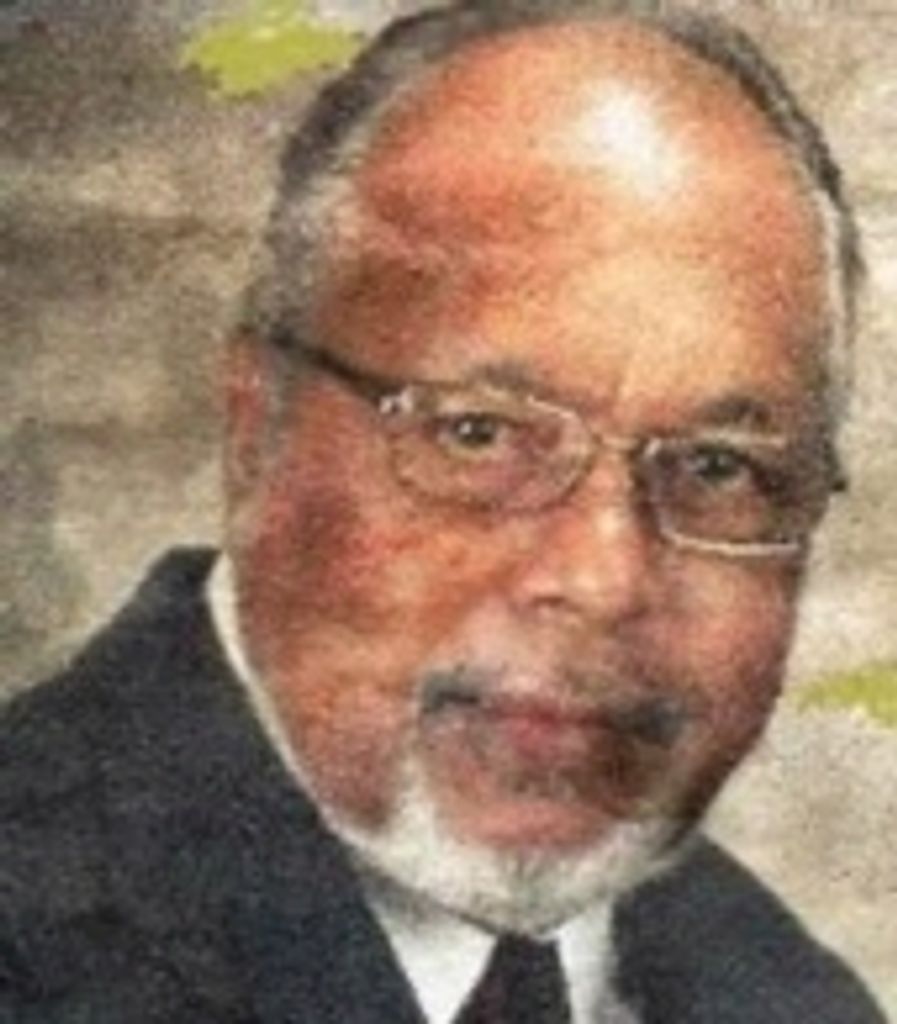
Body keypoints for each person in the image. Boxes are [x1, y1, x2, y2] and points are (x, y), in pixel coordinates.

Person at [0, 2, 886, 1021]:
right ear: (256, 430)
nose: (604, 579)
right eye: (479, 434)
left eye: (719, 467)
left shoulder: (792, 998)